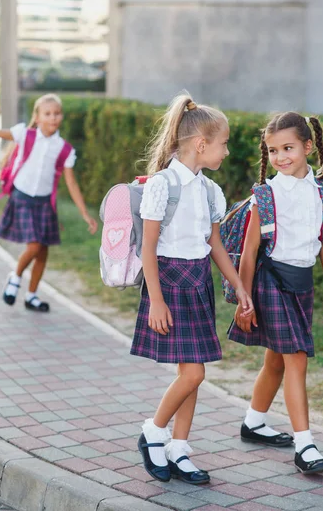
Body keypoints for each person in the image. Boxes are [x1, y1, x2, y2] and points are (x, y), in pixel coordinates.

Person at [131, 93, 253, 484]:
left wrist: (237, 285)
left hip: (197, 283)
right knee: (195, 373)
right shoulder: (163, 186)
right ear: (201, 145)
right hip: (168, 283)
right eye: (224, 143)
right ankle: (154, 431)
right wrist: (156, 301)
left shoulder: (209, 190)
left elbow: (214, 244)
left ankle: (179, 449)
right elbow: (148, 248)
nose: (227, 151)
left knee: (192, 370)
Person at [228, 111, 323, 475]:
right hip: (271, 282)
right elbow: (249, 249)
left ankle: (254, 422)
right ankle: (305, 445)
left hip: (301, 284)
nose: (280, 157)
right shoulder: (267, 193)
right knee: (297, 357)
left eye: (288, 148)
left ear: (308, 147)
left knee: (276, 359)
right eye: (273, 150)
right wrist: (244, 299)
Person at [0, 93, 97, 311]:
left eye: (57, 113)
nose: (53, 117)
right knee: (34, 246)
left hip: (44, 204)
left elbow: (71, 183)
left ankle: (31, 295)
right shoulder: (25, 134)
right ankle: (15, 277)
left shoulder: (64, 149)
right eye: (48, 113)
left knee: (43, 252)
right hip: (22, 199)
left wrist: (84, 214)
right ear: (38, 117)